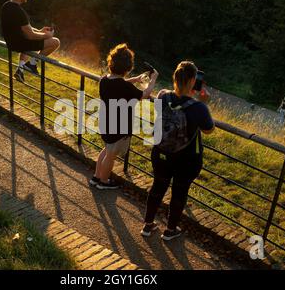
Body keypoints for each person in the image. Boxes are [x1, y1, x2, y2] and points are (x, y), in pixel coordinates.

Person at [141, 61, 215, 241]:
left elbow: (164, 108)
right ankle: (170, 230)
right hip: (187, 159)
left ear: (174, 78)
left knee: (158, 186)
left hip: (161, 153)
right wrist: (202, 102)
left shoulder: (162, 96)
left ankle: (148, 225)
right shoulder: (199, 107)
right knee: (179, 192)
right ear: (192, 81)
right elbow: (208, 129)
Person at [89, 44, 158, 190]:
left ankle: (96, 177)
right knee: (111, 155)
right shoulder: (124, 86)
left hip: (105, 122)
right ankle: (103, 182)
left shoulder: (104, 79)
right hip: (118, 125)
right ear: (128, 67)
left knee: (107, 149)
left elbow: (120, 83)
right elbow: (144, 95)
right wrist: (153, 80)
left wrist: (136, 79)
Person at [1, 0, 60, 82]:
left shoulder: (6, 5)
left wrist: (40, 31)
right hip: (20, 43)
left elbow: (26, 29)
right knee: (55, 42)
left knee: (33, 41)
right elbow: (30, 35)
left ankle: (20, 69)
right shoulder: (19, 12)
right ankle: (32, 64)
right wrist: (46, 35)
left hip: (11, 42)